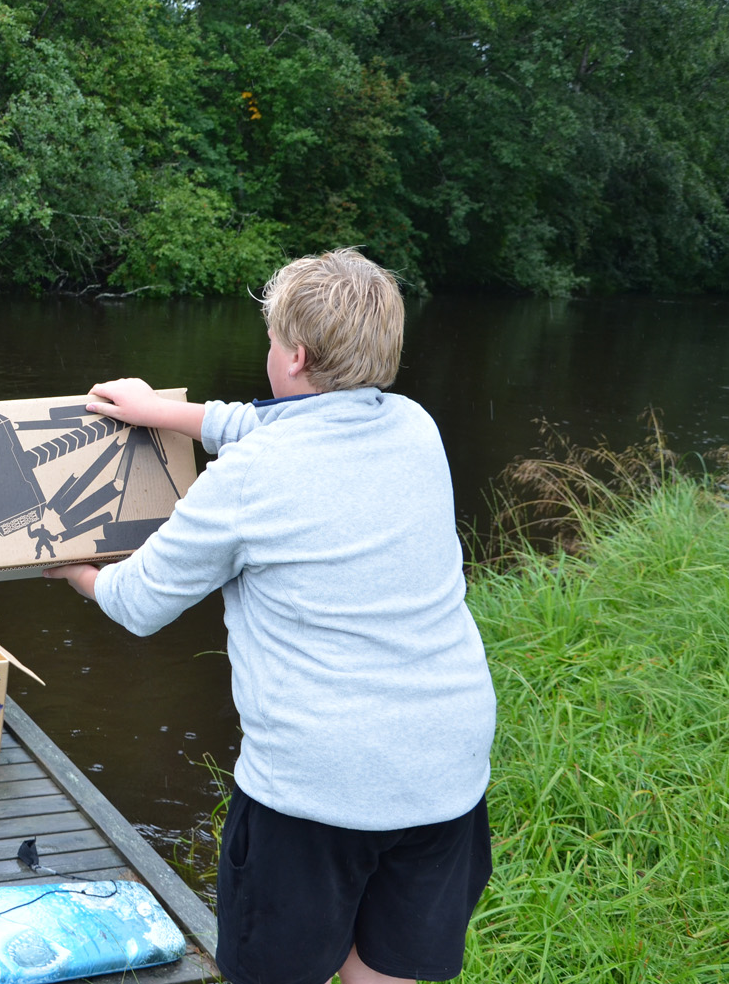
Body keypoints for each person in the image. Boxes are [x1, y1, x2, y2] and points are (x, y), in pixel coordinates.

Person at [43, 248, 496, 984]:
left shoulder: (249, 479)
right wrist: (162, 411)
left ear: (295, 354)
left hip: (318, 789)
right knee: (387, 972)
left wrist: (79, 571)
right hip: (445, 772)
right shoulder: (416, 428)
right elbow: (280, 428)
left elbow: (139, 602)